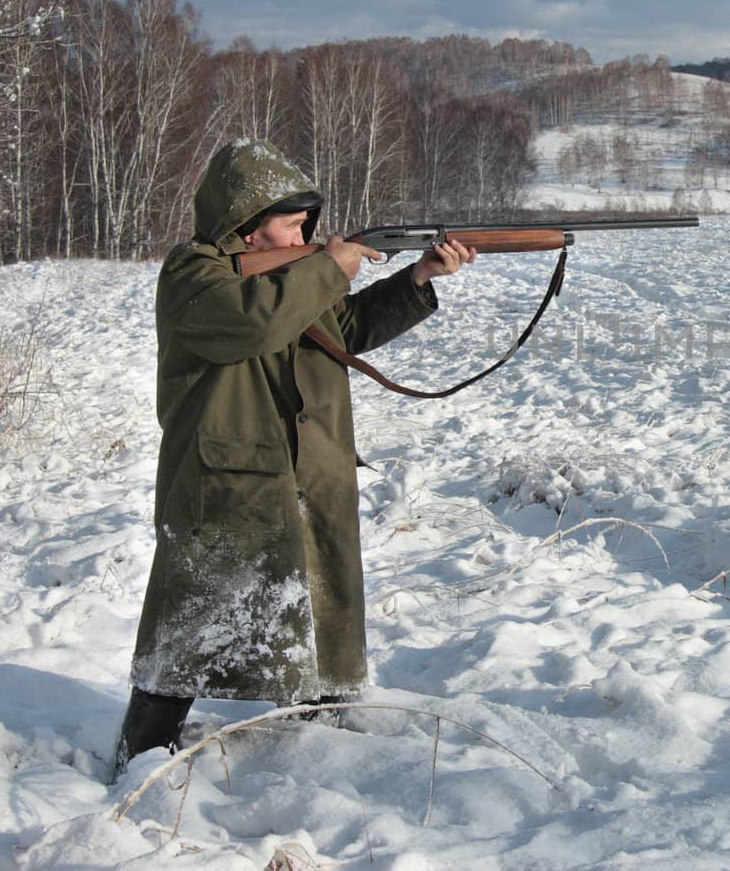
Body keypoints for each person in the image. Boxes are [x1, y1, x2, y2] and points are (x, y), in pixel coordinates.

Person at [112, 139, 476, 776]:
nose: (306, 231)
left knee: (318, 606)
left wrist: (417, 279)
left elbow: (347, 330)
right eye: (291, 222)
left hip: (311, 466)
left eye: (309, 222)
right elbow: (256, 323)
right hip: (224, 479)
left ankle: (316, 739)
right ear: (247, 225)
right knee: (192, 616)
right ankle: (142, 756)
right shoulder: (192, 273)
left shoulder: (293, 274)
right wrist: (329, 265)